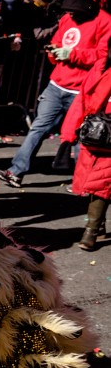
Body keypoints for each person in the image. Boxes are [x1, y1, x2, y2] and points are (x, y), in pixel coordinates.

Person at [0, 0, 111, 187]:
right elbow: (57, 40)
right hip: (57, 84)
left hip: (83, 90)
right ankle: (16, 171)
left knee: (82, 136)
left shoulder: (105, 22)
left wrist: (72, 54)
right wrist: (54, 52)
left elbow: (103, 57)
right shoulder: (67, 18)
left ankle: (82, 183)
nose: (70, 14)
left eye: (74, 11)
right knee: (38, 126)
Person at [59, 52, 111, 250]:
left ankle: (92, 230)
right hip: (96, 132)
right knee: (96, 182)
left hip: (101, 132)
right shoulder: (101, 66)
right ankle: (98, 225)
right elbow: (83, 99)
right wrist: (69, 132)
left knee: (102, 183)